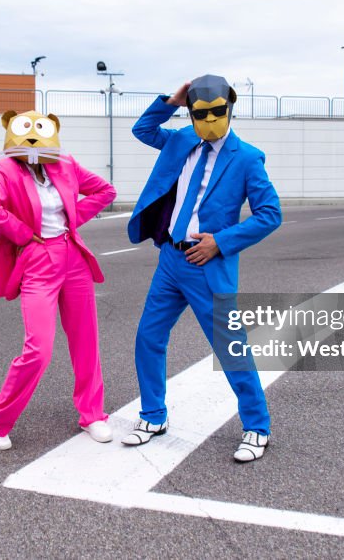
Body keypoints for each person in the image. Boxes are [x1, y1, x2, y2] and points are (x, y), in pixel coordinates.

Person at [123, 75, 282, 462]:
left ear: (230, 108)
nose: (209, 119)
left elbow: (270, 214)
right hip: (170, 259)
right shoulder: (180, 139)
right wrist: (173, 101)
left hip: (206, 261)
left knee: (230, 348)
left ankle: (257, 427)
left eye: (216, 112)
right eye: (200, 113)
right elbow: (142, 129)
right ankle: (153, 416)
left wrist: (221, 242)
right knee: (148, 337)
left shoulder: (246, 158)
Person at [0, 109, 117, 450]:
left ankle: (92, 414)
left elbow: (105, 191)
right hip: (38, 259)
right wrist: (23, 234)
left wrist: (73, 218)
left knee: (86, 342)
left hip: (73, 257)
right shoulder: (6, 168)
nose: (35, 139)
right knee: (39, 348)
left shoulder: (64, 163)